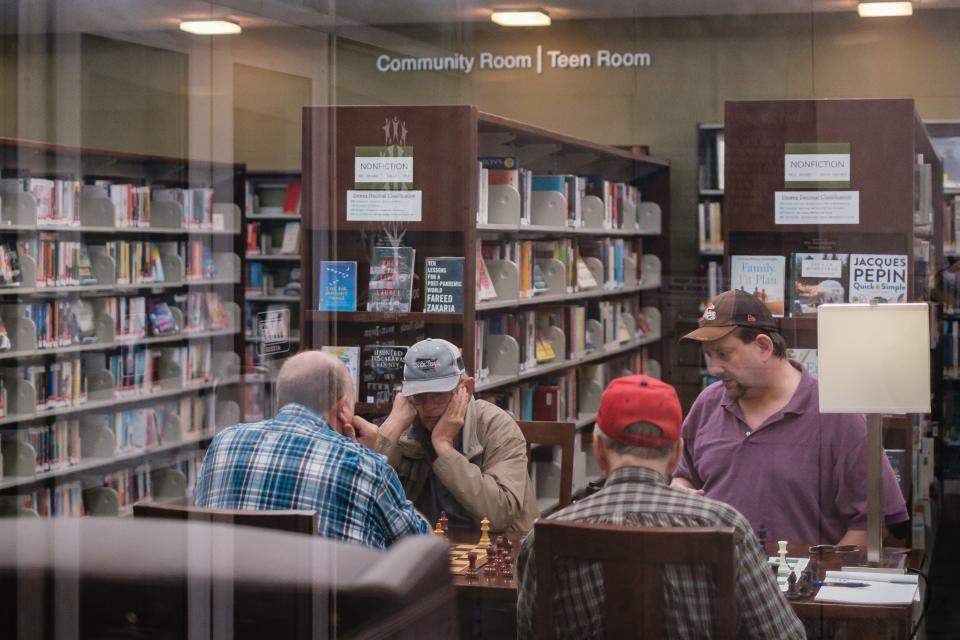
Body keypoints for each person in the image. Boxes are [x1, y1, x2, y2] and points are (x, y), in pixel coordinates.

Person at [516, 375, 804, 639]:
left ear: (598, 450)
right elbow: (784, 636)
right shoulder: (725, 524)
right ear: (676, 454)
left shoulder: (545, 537)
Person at [672, 289, 909, 546]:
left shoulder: (836, 413)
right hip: (719, 579)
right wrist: (679, 489)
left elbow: (874, 522)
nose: (714, 368)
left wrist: (822, 575)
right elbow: (684, 474)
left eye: (724, 354)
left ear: (763, 347)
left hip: (801, 583)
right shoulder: (707, 404)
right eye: (709, 356)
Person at [193, 350, 429, 548]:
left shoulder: (223, 443)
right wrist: (369, 453)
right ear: (343, 409)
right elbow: (419, 550)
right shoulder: (364, 465)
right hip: (325, 603)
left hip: (232, 600)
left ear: (281, 398)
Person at [352, 338, 538, 533]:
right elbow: (361, 505)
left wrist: (443, 445)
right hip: (430, 546)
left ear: (466, 389)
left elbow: (500, 514)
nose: (429, 406)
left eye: (439, 395)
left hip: (494, 550)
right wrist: (392, 426)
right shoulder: (406, 425)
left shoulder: (496, 426)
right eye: (420, 396)